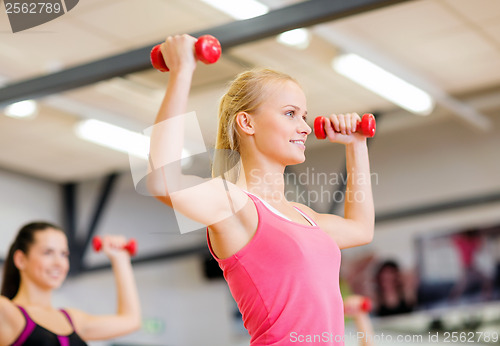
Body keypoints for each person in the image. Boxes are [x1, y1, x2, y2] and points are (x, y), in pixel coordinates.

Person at [147, 34, 374, 345]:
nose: (305, 127)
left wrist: (357, 146)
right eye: (290, 113)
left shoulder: (302, 215)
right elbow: (161, 181)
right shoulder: (234, 203)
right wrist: (182, 71)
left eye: (304, 116)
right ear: (247, 123)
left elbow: (361, 230)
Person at [0, 221, 141, 346]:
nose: (59, 263)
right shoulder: (7, 313)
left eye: (64, 254)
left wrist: (120, 259)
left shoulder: (72, 320)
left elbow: (131, 320)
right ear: (20, 260)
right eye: (47, 252)